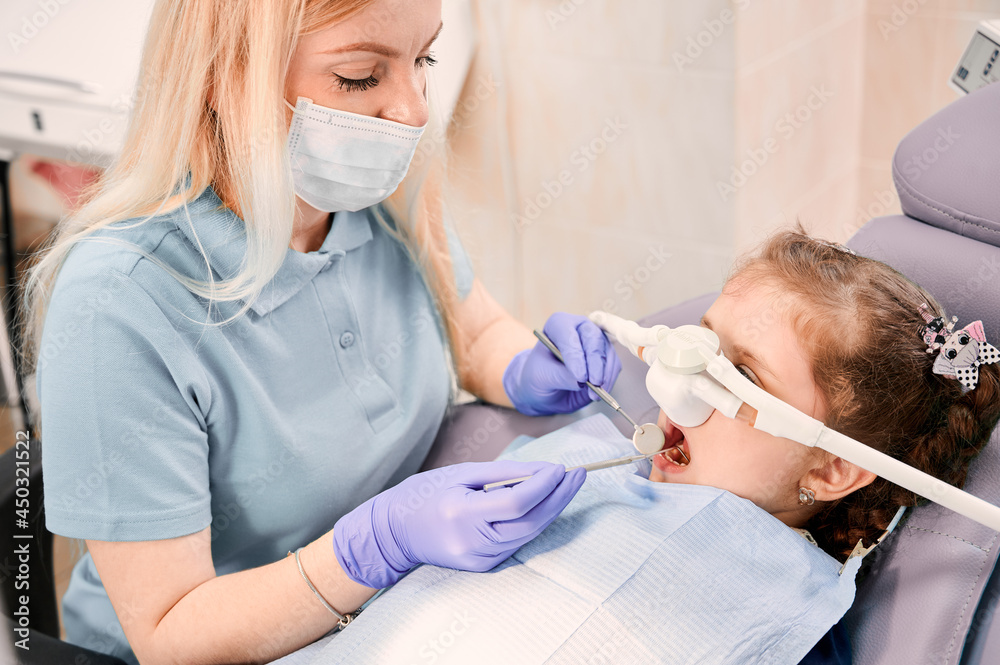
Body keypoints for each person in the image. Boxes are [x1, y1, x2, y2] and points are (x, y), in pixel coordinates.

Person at [21, 1, 622, 663]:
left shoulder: (382, 197)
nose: (414, 112)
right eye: (362, 77)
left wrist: (525, 365)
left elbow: (472, 333)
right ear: (225, 76)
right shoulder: (122, 301)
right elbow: (171, 633)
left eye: (423, 60)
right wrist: (372, 547)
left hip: (383, 615)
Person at [271, 230, 1000, 665]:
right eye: (699, 342)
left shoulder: (788, 618)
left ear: (833, 464)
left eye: (738, 373)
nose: (677, 378)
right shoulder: (583, 461)